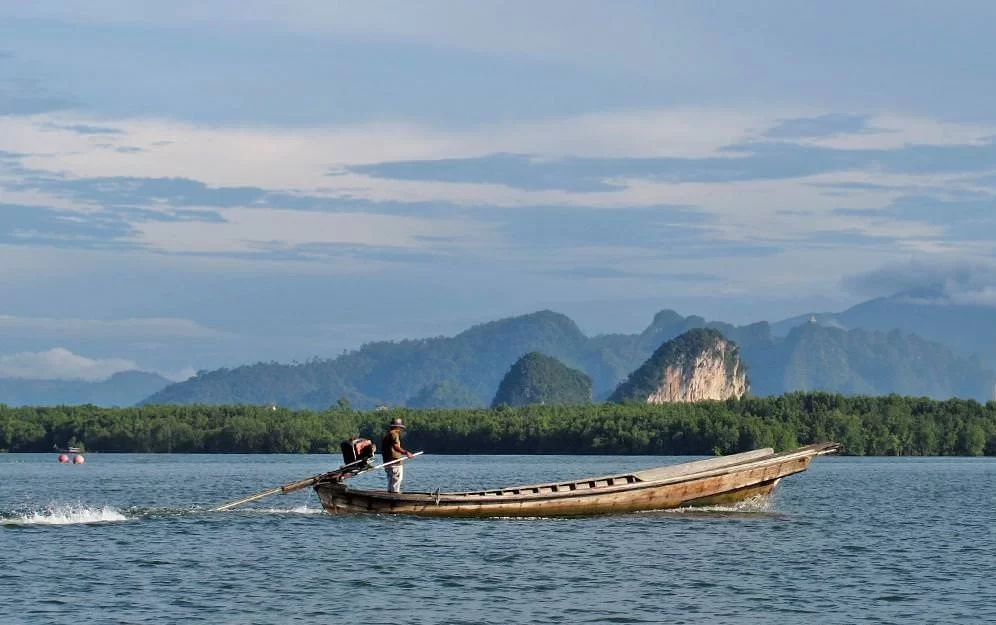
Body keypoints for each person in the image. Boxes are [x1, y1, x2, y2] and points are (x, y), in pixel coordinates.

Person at [381, 416, 414, 493]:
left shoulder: (387, 435)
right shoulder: (394, 434)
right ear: (397, 427)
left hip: (388, 462)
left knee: (391, 482)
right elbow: (396, 447)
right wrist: (406, 452)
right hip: (395, 462)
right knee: (396, 481)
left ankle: (390, 496)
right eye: (401, 427)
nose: (401, 429)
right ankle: (394, 499)